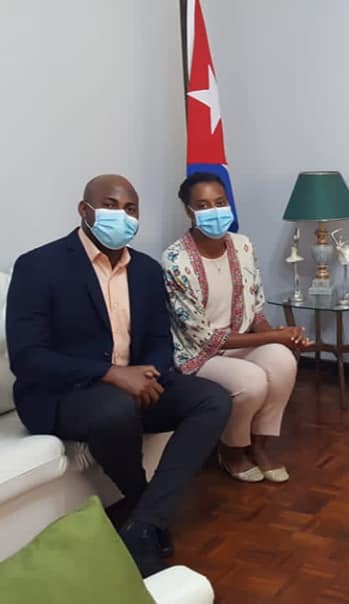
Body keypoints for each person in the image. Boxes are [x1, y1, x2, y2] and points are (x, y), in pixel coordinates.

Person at [5, 174, 232, 577]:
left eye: (130, 209)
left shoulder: (145, 270)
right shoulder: (39, 266)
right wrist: (112, 374)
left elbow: (160, 339)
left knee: (212, 399)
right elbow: (28, 358)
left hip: (131, 386)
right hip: (62, 394)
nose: (122, 216)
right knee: (113, 407)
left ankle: (143, 525)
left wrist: (150, 372)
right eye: (110, 206)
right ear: (84, 210)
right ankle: (144, 502)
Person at [162, 172, 308, 484]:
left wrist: (283, 339)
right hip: (200, 355)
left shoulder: (242, 246)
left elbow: (256, 309)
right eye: (203, 205)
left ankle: (260, 446)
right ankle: (231, 449)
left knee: (283, 360)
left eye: (220, 202)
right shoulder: (175, 260)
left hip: (243, 343)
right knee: (252, 381)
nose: (214, 211)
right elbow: (204, 339)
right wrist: (276, 336)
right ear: (189, 211)